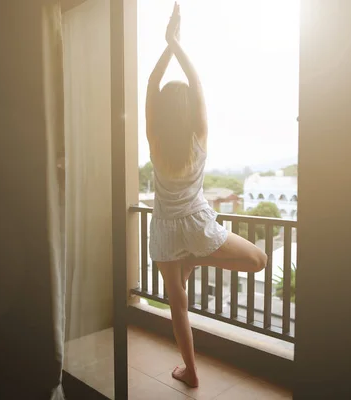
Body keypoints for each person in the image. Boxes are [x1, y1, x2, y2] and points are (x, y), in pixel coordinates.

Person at [145, 2, 268, 388]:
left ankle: (191, 372)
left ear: (163, 112)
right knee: (260, 260)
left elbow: (152, 86)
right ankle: (201, 257)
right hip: (197, 227)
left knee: (177, 304)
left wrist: (167, 45)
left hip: (164, 230)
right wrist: (178, 44)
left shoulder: (155, 140)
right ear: (190, 112)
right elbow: (197, 87)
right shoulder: (198, 137)